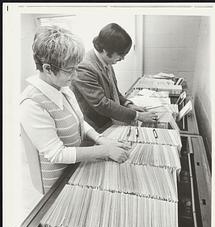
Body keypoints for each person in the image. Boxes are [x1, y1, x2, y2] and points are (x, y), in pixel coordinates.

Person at [20, 25, 131, 194]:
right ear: (48, 68)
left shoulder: (62, 87)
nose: (75, 76)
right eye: (70, 70)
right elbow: (57, 154)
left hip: (74, 170)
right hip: (57, 182)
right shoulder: (31, 103)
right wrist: (105, 150)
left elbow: (80, 121)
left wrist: (102, 139)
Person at [71, 23, 158, 131]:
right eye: (121, 54)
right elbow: (101, 104)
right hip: (94, 129)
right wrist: (138, 116)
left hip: (108, 122)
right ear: (106, 50)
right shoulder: (84, 67)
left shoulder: (106, 61)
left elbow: (114, 91)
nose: (123, 58)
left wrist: (128, 104)